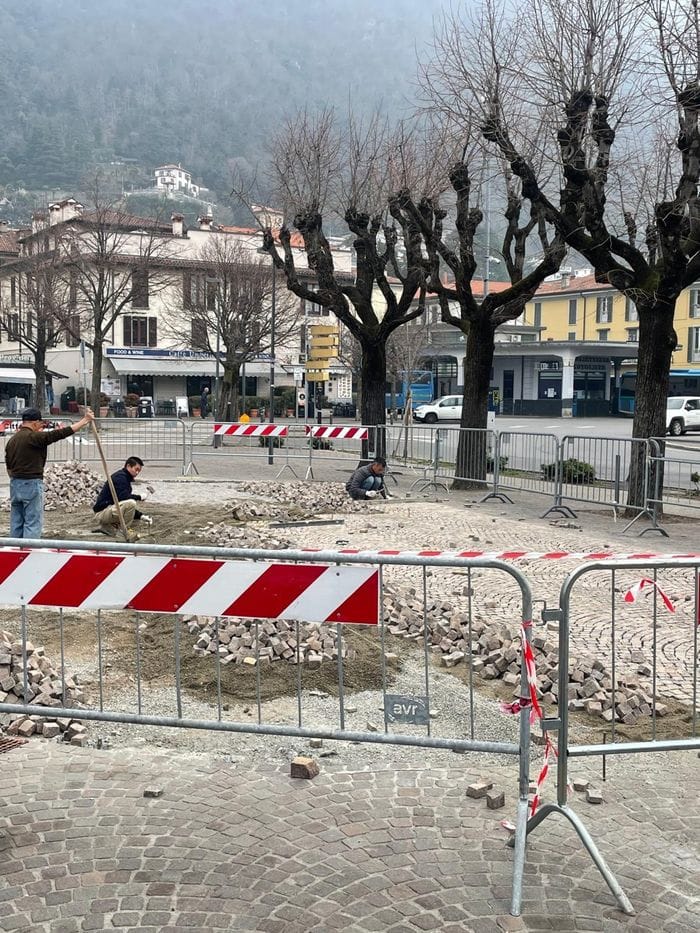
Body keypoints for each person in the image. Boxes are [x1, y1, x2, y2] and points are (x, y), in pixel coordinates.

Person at [5, 405, 96, 538]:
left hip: (15, 483)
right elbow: (60, 433)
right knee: (32, 522)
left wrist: (16, 479)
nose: (41, 426)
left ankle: (14, 551)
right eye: (40, 423)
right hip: (31, 483)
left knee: (16, 522)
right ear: (35, 422)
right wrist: (84, 421)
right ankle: (30, 552)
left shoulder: (12, 440)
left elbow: (8, 465)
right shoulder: (34, 437)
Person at [92, 456, 154, 534]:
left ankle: (110, 527)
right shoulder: (120, 478)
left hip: (109, 510)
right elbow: (123, 498)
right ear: (128, 466)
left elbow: (123, 505)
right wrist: (139, 497)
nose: (137, 473)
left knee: (131, 511)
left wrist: (141, 516)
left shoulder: (125, 478)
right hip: (102, 513)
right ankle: (123, 532)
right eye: (136, 469)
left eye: (139, 471)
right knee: (131, 503)